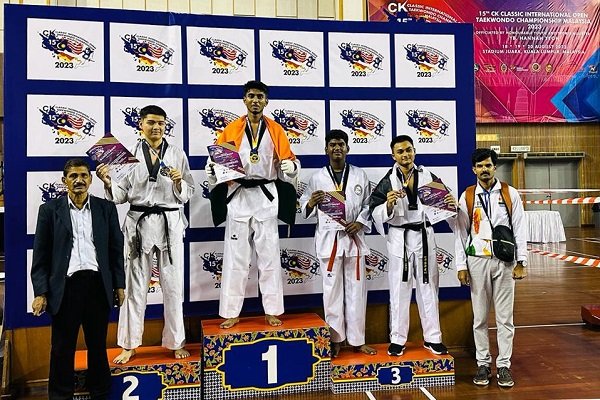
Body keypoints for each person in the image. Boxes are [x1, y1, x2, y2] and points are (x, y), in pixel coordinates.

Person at [96, 105, 194, 364]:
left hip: (170, 222)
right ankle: (129, 344)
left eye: (161, 123)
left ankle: (176, 342)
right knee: (134, 287)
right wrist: (108, 182)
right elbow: (120, 196)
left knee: (173, 286)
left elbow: (189, 192)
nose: (156, 127)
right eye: (151, 122)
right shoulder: (128, 156)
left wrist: (179, 183)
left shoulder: (177, 154)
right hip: (138, 224)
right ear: (141, 124)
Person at [205, 80, 300, 329]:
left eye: (260, 96)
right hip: (238, 195)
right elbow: (217, 160)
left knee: (269, 256)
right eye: (251, 96)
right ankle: (231, 311)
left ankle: (272, 310)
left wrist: (292, 167)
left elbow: (290, 162)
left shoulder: (276, 130)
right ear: (244, 100)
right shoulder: (231, 129)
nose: (255, 100)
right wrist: (211, 170)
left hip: (266, 196)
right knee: (235, 257)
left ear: (266, 101)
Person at [31, 158, 125, 400]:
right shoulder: (49, 211)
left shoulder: (106, 209)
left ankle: (100, 394)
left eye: (83, 175)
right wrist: (41, 292)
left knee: (98, 346)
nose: (79, 180)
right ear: (64, 181)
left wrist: (119, 285)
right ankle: (60, 396)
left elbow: (116, 250)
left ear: (91, 180)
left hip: (97, 287)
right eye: (73, 176)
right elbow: (41, 255)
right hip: (65, 288)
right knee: (62, 349)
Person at [369, 135, 453, 357]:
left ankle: (433, 338)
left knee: (429, 287)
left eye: (408, 150)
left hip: (424, 235)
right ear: (393, 156)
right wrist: (388, 205)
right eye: (400, 152)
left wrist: (448, 203)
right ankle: (397, 339)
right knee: (399, 289)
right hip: (400, 236)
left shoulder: (427, 176)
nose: (405, 155)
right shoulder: (388, 181)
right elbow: (374, 210)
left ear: (414, 151)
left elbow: (444, 203)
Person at [454, 148, 527, 387]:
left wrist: (521, 261)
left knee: (505, 318)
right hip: (477, 261)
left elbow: (520, 228)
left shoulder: (509, 193)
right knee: (480, 318)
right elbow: (460, 233)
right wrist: (461, 265)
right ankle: (483, 364)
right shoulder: (467, 196)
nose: (484, 169)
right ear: (473, 169)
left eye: (488, 165)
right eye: (480, 166)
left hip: (504, 262)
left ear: (495, 167)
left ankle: (504, 365)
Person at [300, 129, 376, 357]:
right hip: (329, 242)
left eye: (341, 144)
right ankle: (335, 340)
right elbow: (303, 206)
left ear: (347, 148)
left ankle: (358, 340)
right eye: (332, 144)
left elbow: (369, 205)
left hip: (354, 240)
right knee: (331, 293)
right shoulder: (317, 178)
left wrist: (360, 222)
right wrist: (311, 202)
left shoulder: (360, 175)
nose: (337, 148)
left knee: (357, 292)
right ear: (326, 149)